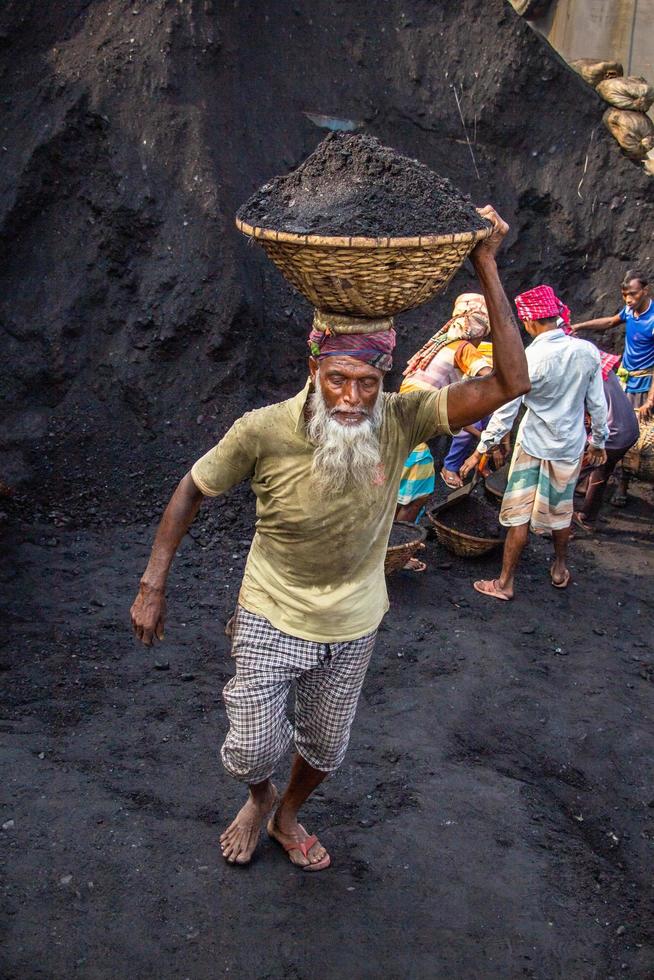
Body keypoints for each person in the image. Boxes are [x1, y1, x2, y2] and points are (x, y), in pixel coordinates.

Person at [130, 206, 530, 872]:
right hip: (269, 611)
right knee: (253, 748)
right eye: (337, 379)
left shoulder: (402, 419)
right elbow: (192, 489)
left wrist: (486, 262)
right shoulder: (265, 429)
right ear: (313, 370)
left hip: (353, 623)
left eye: (367, 383)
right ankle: (259, 797)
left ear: (385, 382)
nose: (351, 397)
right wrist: (153, 581)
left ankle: (287, 813)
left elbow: (513, 383)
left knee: (323, 746)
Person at [461, 284, 608, 601]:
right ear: (555, 316)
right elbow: (597, 404)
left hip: (532, 446)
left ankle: (505, 583)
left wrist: (481, 449)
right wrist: (599, 441)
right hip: (568, 445)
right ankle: (559, 567)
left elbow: (507, 410)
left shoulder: (529, 357)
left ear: (529, 323)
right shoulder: (586, 352)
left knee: (519, 514)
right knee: (561, 510)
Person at [395, 293, 492, 535]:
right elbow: (493, 381)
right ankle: (396, 546)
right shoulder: (464, 348)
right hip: (412, 433)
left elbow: (444, 408)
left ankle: (386, 542)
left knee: (398, 490)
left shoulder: (439, 345)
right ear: (479, 330)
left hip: (398, 423)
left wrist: (479, 435)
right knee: (418, 492)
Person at [571, 269, 653, 505]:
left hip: (644, 385)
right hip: (625, 377)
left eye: (633, 294)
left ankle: (623, 487)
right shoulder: (631, 310)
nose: (628, 299)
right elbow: (611, 322)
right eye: (625, 294)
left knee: (632, 437)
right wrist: (580, 325)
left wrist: (650, 400)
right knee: (609, 427)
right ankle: (596, 479)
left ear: (645, 291)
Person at [572, 353, 640, 531]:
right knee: (602, 470)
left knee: (568, 475)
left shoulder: (585, 377)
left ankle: (558, 524)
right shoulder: (604, 370)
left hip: (612, 434)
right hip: (629, 431)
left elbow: (588, 415)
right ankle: (588, 518)